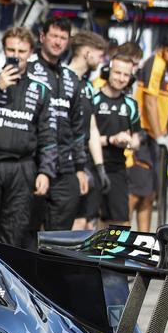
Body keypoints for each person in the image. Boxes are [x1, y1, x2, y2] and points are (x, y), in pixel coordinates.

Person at [0, 27, 56, 247]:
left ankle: (7, 281)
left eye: (21, 51)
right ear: (3, 50)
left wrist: (46, 171)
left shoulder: (41, 89)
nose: (16, 55)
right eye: (11, 49)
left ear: (31, 52)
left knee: (15, 230)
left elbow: (48, 134)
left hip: (22, 167)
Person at [26, 19, 87, 232]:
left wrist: (80, 168)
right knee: (27, 231)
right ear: (42, 37)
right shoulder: (29, 71)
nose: (58, 42)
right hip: (34, 164)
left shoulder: (71, 78)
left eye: (63, 38)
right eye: (53, 36)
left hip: (66, 168)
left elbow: (78, 127)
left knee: (60, 235)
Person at [131, 37, 168, 231]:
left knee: (150, 192)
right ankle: (122, 233)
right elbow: (150, 100)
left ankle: (144, 239)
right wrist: (159, 134)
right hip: (145, 134)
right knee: (137, 192)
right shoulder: (156, 63)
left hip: (154, 136)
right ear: (161, 48)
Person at [85, 56, 140, 228]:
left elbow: (137, 140)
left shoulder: (131, 104)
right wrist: (111, 140)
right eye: (117, 73)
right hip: (91, 165)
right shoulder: (93, 98)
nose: (121, 78)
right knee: (87, 221)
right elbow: (85, 138)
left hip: (118, 167)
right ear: (108, 71)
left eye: (126, 74)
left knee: (120, 221)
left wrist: (129, 142)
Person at [65, 31, 108, 230]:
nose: (101, 60)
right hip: (65, 162)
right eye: (99, 55)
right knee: (62, 222)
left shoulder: (88, 87)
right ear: (87, 53)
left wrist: (99, 167)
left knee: (83, 221)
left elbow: (92, 127)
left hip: (85, 161)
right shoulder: (62, 79)